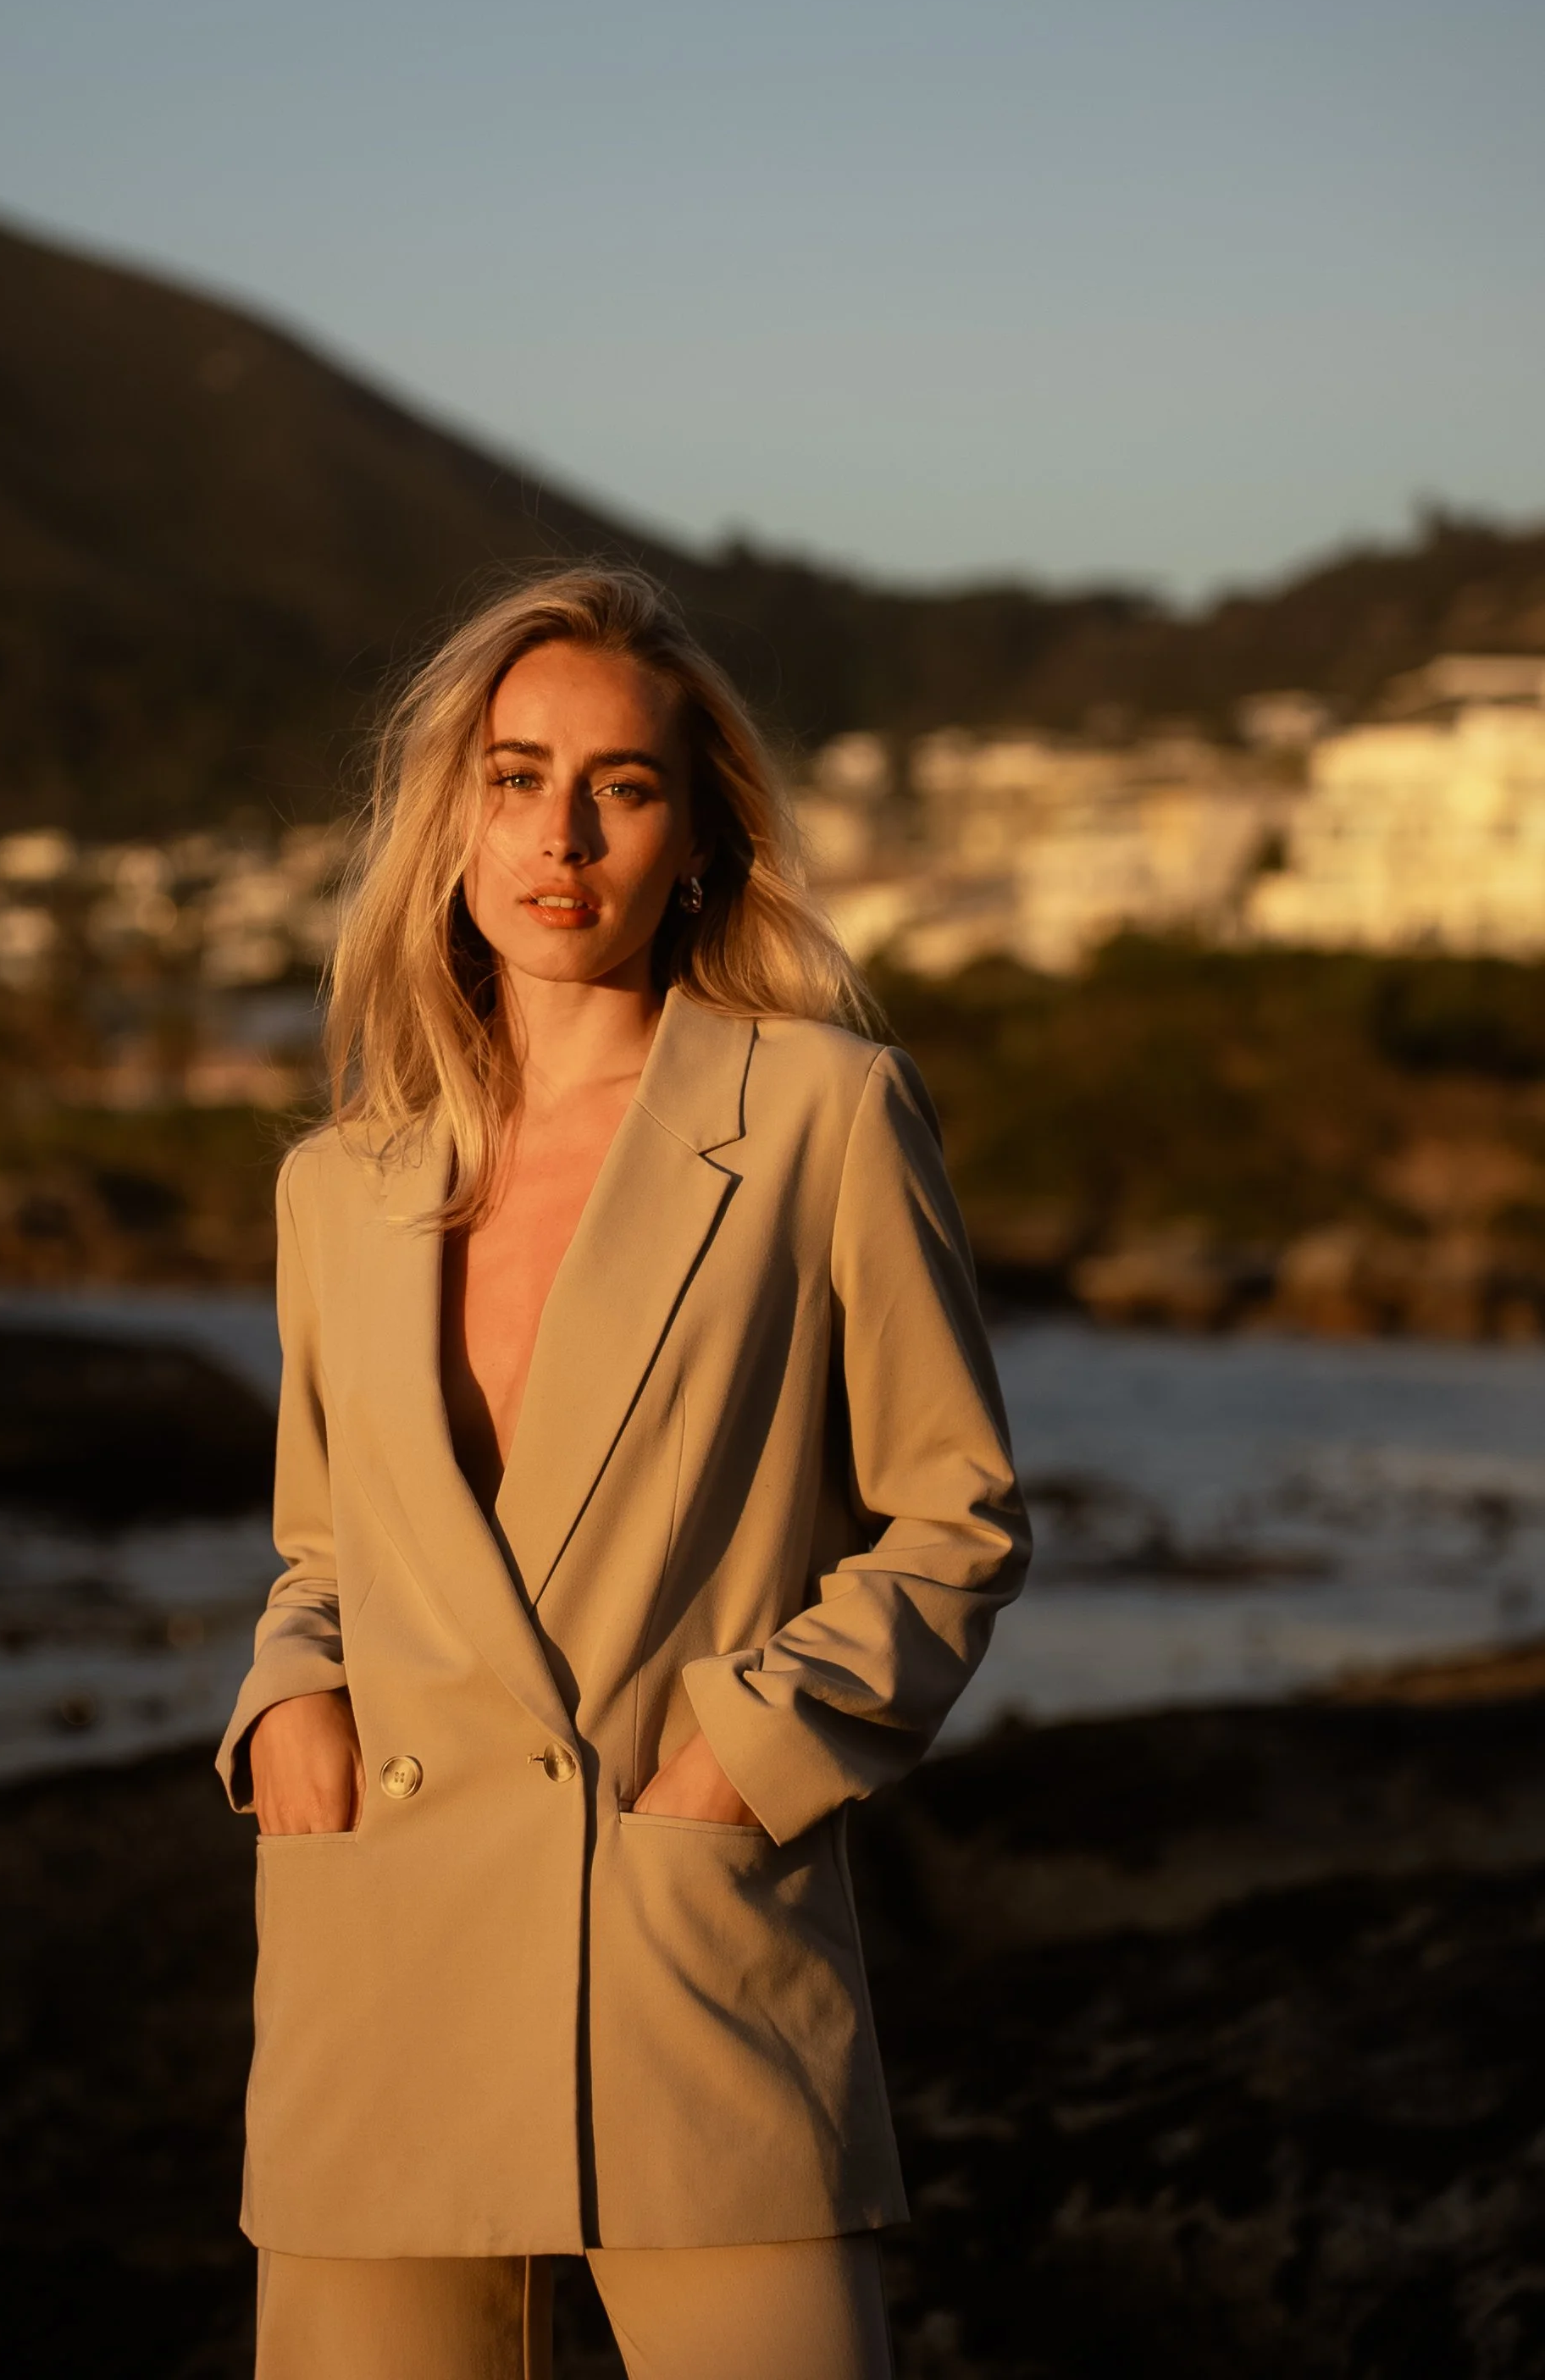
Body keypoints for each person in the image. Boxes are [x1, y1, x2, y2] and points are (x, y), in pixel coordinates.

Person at [219, 567, 1028, 2379]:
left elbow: (952, 1518)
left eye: (624, 786)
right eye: (513, 777)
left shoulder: (818, 1112)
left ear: (699, 841)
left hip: (682, 1950)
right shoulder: (336, 1185)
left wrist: (741, 1763)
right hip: (383, 1951)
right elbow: (324, 1550)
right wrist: (286, 1705)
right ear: (448, 816)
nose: (559, 833)